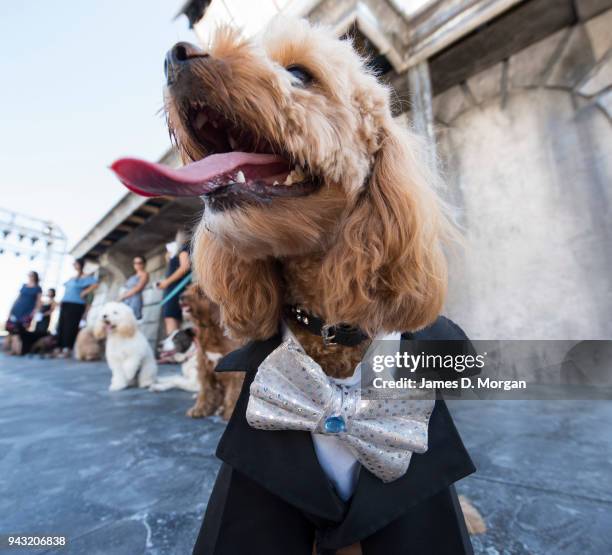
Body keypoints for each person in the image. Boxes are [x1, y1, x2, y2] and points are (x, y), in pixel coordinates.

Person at [55, 258, 98, 357]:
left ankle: (67, 348)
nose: (74, 265)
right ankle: (59, 347)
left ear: (80, 265)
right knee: (62, 325)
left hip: (76, 304)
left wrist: (85, 292)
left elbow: (95, 284)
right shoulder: (71, 278)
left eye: (75, 263)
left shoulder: (86, 277)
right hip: (66, 303)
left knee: (71, 326)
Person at [156, 230, 190, 336]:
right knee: (175, 323)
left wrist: (166, 282)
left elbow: (184, 267)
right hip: (175, 289)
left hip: (175, 289)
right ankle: (177, 347)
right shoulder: (178, 251)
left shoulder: (184, 249)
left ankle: (174, 349)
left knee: (171, 321)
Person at [5, 271, 42, 354]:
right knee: (13, 329)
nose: (29, 277)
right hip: (17, 309)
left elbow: (38, 301)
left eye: (31, 275)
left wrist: (34, 312)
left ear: (35, 277)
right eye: (29, 275)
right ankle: (13, 349)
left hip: (27, 312)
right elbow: (18, 298)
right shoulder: (24, 286)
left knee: (21, 330)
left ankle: (20, 350)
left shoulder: (38, 288)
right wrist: (11, 309)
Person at [119, 255, 149, 320]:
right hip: (126, 301)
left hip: (135, 300)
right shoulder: (132, 276)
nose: (137, 265)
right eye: (135, 263)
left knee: (131, 320)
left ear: (143, 264)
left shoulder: (144, 274)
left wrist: (123, 296)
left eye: (139, 263)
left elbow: (138, 288)